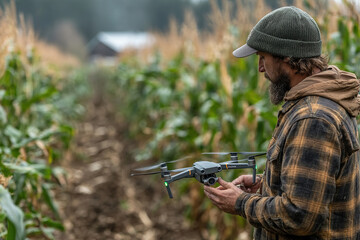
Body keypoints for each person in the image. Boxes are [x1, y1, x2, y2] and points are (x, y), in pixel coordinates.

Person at [204, 6, 360, 240]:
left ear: (287, 56)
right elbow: (314, 192)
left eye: (263, 57)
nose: (260, 68)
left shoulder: (313, 118)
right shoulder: (318, 104)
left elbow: (300, 217)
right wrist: (267, 187)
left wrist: (241, 202)